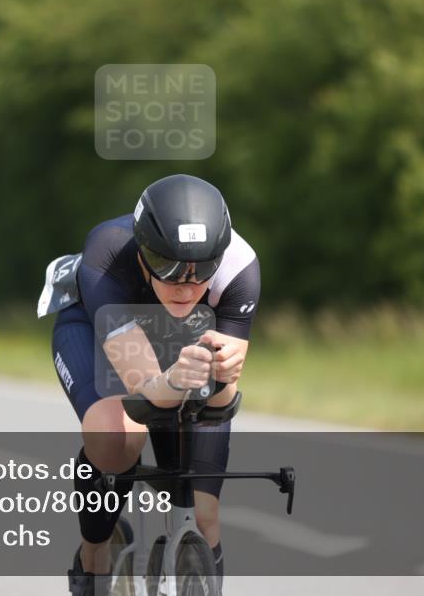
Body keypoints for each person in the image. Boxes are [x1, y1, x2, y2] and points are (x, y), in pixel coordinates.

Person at [38, 174, 260, 595]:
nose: (186, 286)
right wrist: (176, 378)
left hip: (179, 344)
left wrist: (223, 376)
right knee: (116, 438)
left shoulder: (240, 268)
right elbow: (143, 391)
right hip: (95, 328)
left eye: (201, 273)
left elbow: (220, 403)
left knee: (205, 512)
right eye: (168, 268)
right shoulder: (107, 253)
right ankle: (94, 557)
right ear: (142, 251)